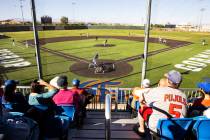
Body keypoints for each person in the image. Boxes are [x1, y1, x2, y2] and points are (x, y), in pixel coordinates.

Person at [133, 70, 187, 136]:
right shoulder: (184, 96)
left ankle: (142, 129)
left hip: (158, 129)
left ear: (167, 80)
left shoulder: (157, 91)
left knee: (142, 107)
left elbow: (136, 93)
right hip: (178, 131)